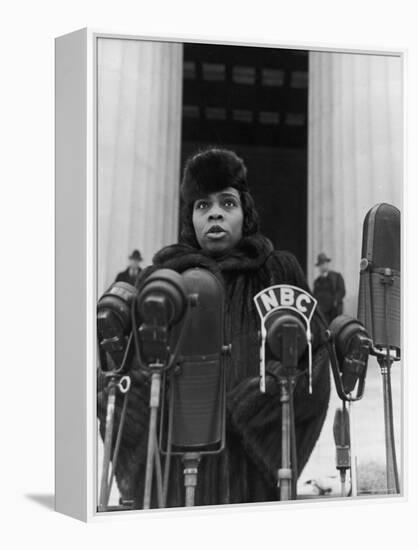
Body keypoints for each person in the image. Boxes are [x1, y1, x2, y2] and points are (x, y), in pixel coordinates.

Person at [97, 148, 330, 508]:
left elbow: (311, 360)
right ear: (190, 218)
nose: (215, 212)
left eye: (227, 202)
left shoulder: (276, 273)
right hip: (171, 465)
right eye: (202, 205)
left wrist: (247, 405)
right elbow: (125, 373)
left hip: (249, 470)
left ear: (245, 212)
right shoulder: (162, 278)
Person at [313, 252, 346, 325]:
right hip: (322, 312)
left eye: (324, 263)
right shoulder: (317, 282)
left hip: (334, 311)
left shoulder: (337, 277)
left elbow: (342, 291)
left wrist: (335, 300)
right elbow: (314, 295)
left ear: (327, 264)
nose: (323, 266)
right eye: (321, 265)